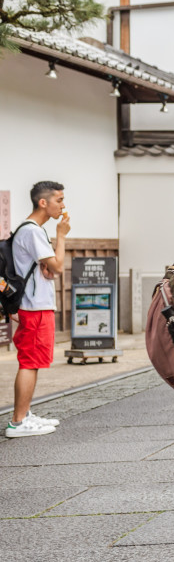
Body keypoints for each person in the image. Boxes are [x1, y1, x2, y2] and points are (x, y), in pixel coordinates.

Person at [5, 181, 68, 438]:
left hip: (35, 305)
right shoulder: (32, 231)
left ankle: (25, 414)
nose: (63, 206)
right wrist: (62, 235)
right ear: (43, 202)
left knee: (33, 361)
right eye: (59, 200)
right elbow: (58, 266)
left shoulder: (32, 230)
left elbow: (45, 268)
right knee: (30, 362)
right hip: (35, 307)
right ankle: (18, 422)